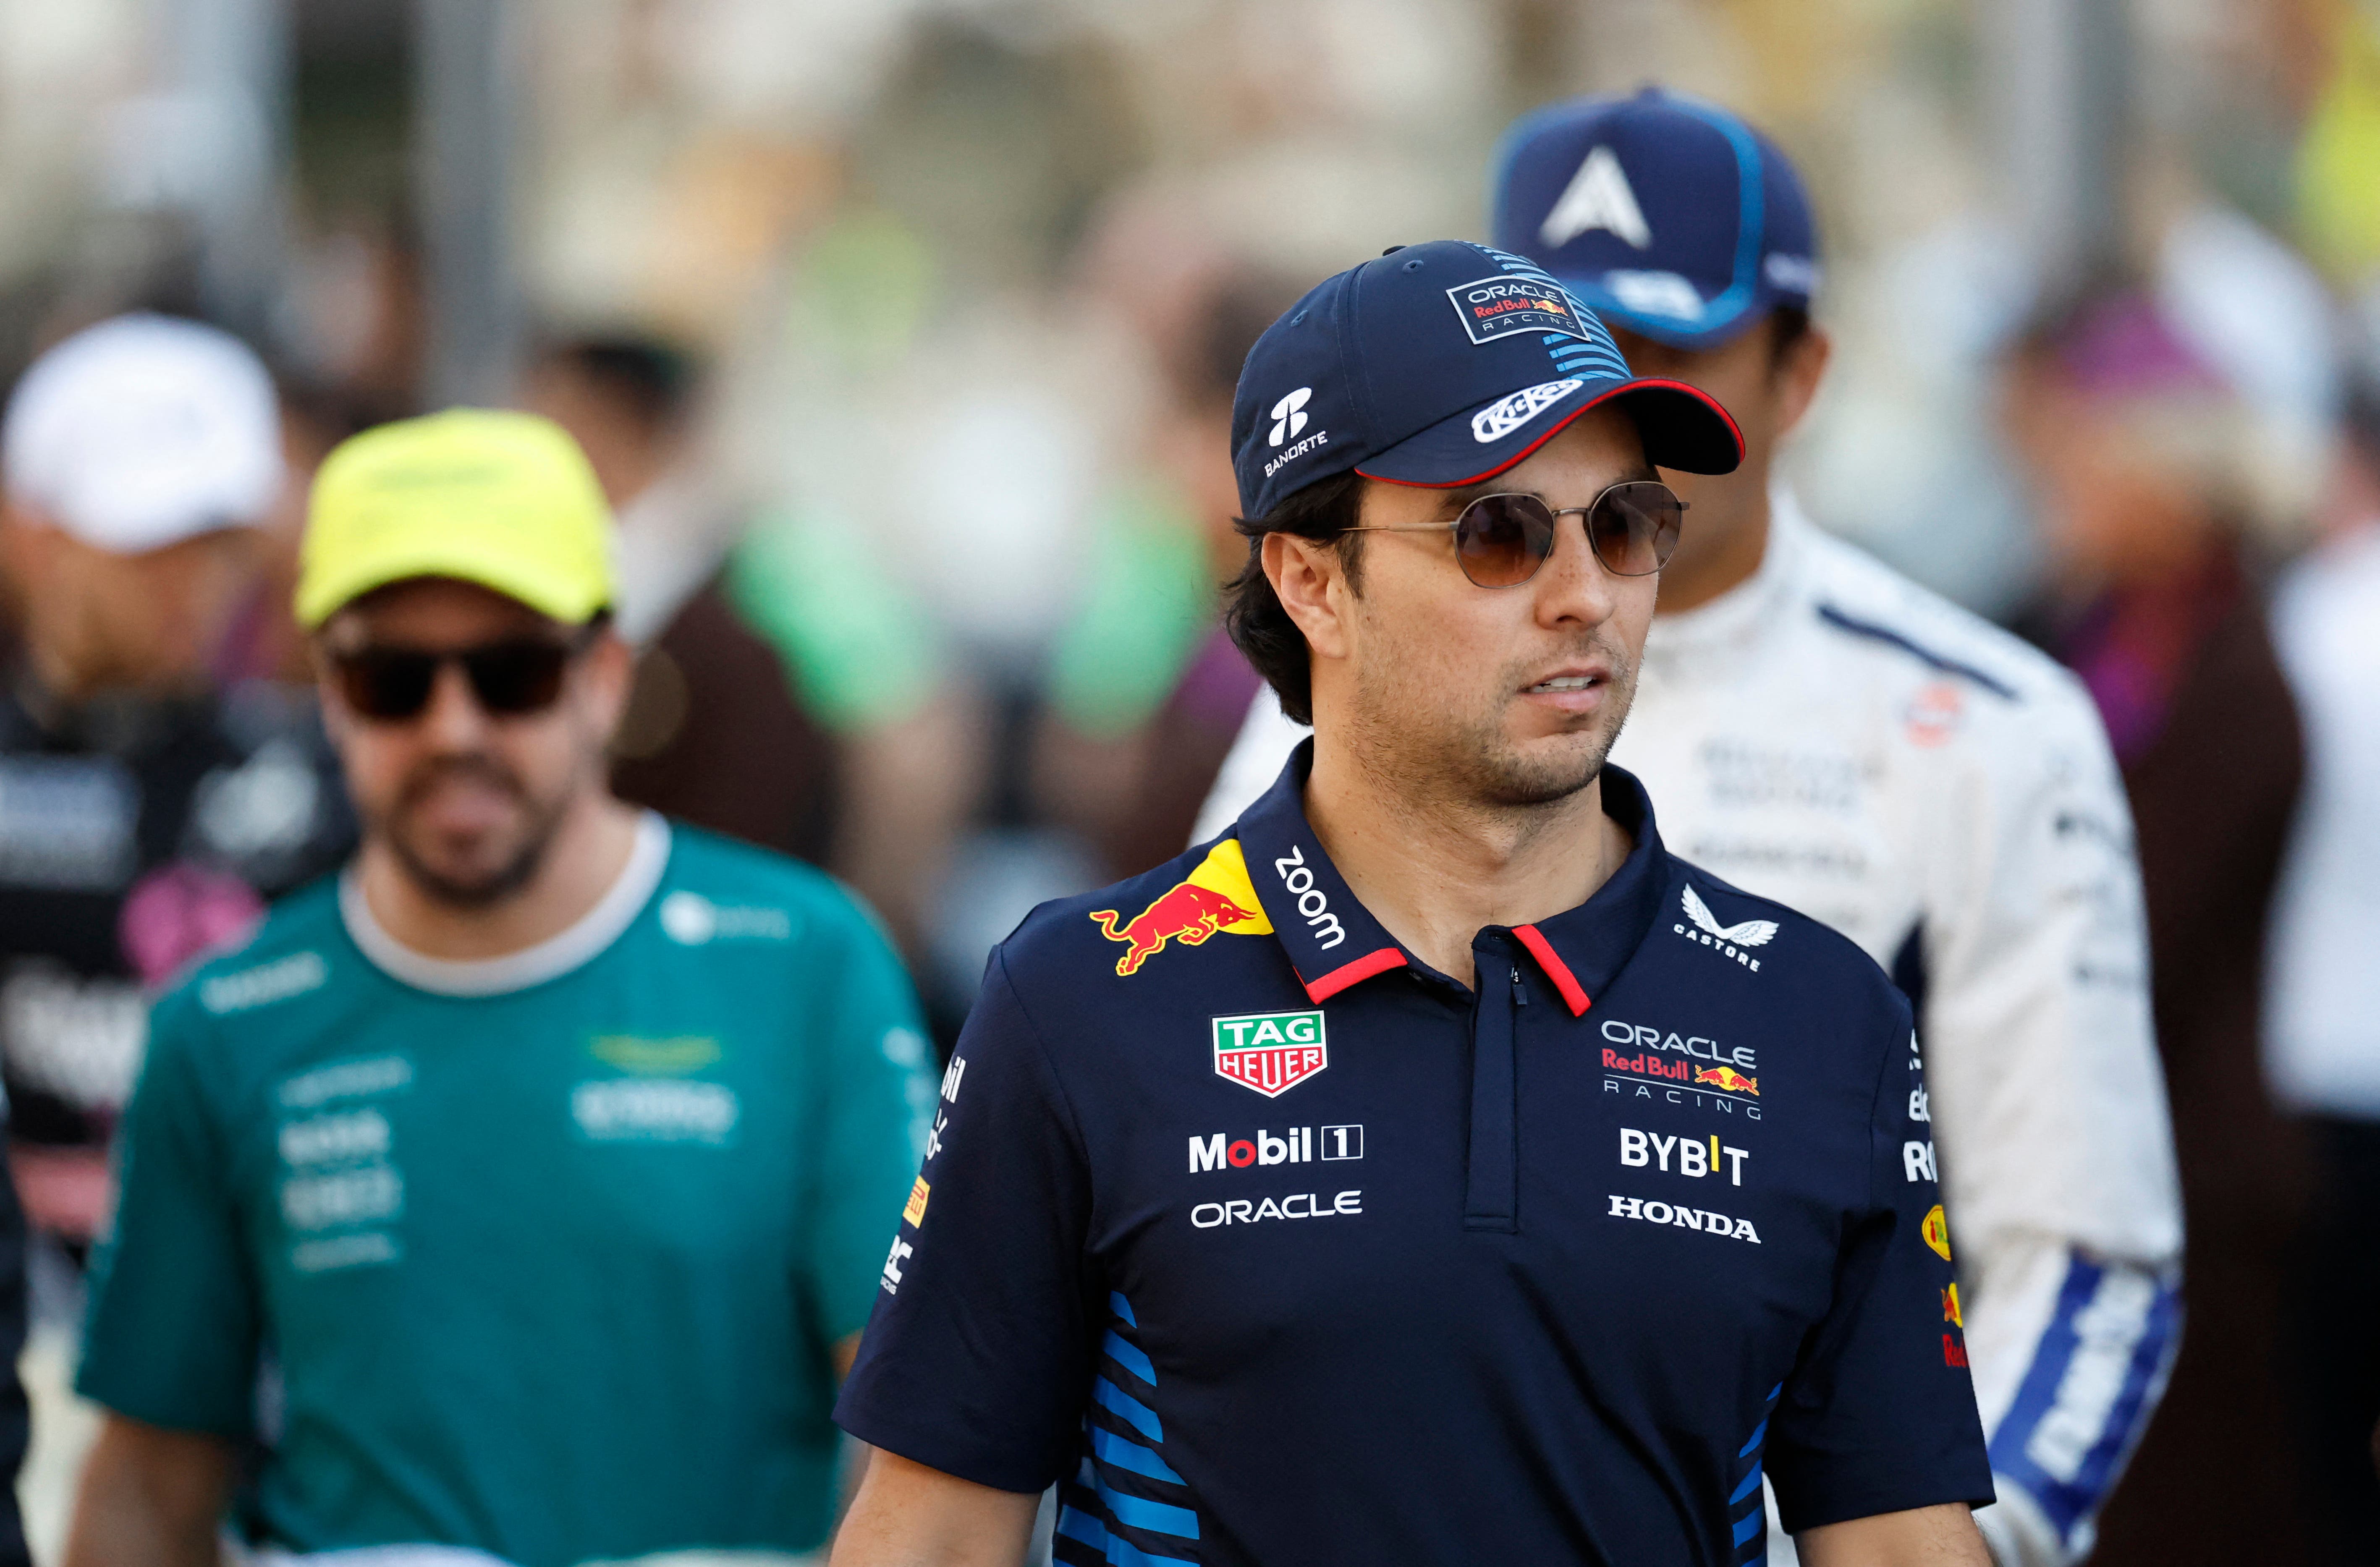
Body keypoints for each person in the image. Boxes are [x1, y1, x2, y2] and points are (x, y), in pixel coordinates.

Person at [831, 239, 1995, 1567]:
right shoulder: (1086, 998)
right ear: (1310, 579)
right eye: (1497, 533)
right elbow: (927, 1535)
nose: (1586, 597)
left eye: (1623, 524)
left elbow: (1901, 1539)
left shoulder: (1815, 1013)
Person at [1191, 94, 2182, 1567]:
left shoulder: (1987, 728)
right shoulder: (1361, 688)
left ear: (1799, 374)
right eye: (1549, 345)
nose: (1588, 397)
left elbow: (2087, 1255)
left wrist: (1964, 1542)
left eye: (1660, 351)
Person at [65, 410, 935, 1567]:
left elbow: (925, 1434)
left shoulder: (804, 963)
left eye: (512, 671)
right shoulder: (226, 1021)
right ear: (329, 692)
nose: (454, 727)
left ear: (605, 678)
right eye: (393, 679)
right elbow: (148, 1481)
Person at [0, 314, 355, 1245]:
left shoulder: (321, 772)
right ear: (32, 532)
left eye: (219, 545)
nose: (189, 585)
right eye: (145, 542)